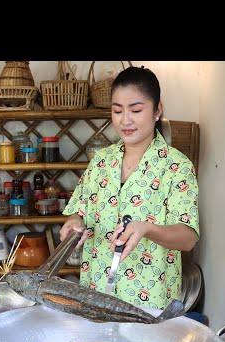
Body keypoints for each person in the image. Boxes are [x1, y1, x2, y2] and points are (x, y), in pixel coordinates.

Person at [60, 66, 199, 310]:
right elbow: (78, 212)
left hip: (150, 299)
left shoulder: (176, 166)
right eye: (117, 110)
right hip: (96, 293)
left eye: (136, 110)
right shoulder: (101, 161)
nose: (125, 120)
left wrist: (147, 229)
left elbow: (188, 238)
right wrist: (74, 223)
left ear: (157, 110)